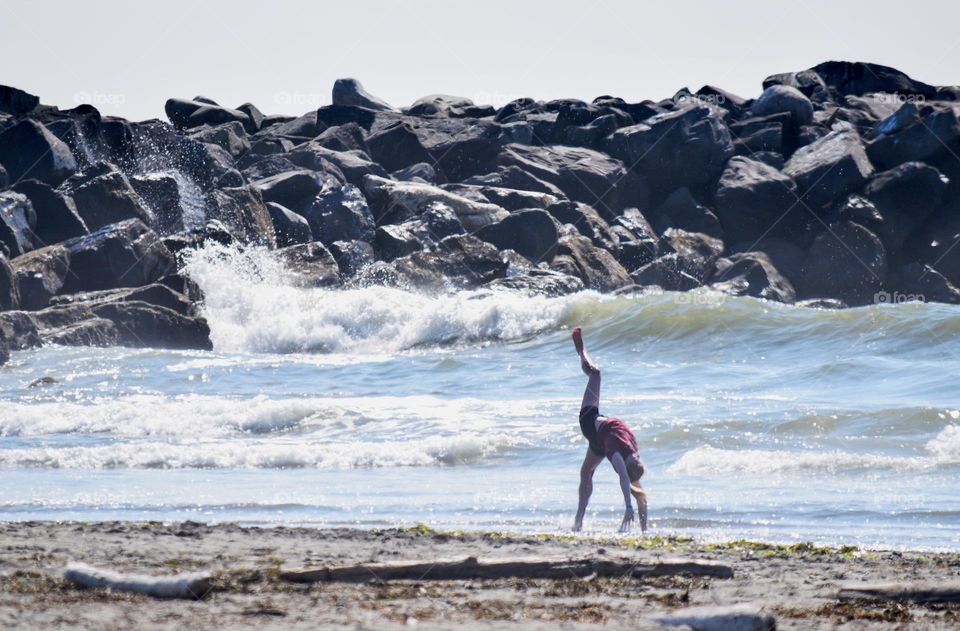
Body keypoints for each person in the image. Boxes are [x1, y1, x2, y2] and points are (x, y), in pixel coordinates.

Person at [571, 327, 648, 533]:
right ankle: (578, 522)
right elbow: (631, 480)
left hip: (590, 423)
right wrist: (629, 505)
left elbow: (625, 479)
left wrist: (629, 508)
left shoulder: (617, 454)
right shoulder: (633, 454)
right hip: (598, 431)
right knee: (586, 473)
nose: (637, 459)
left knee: (595, 374)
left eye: (635, 462)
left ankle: (581, 350)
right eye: (637, 460)